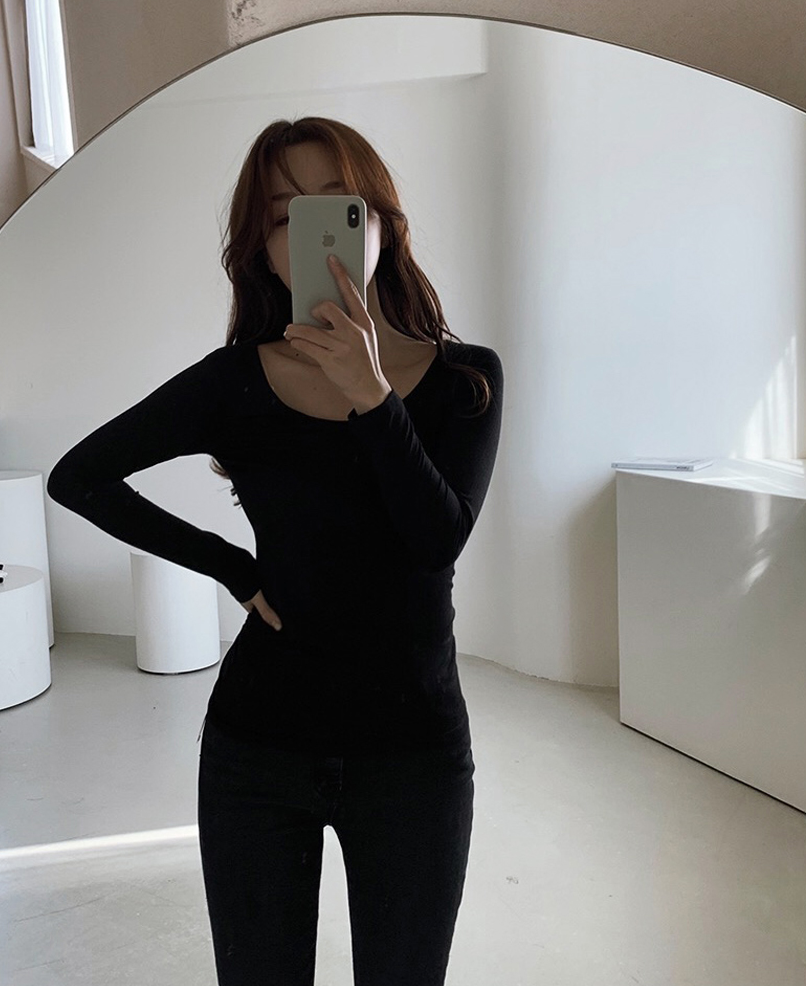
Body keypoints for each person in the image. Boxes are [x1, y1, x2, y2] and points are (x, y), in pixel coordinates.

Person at [46, 116, 504, 986]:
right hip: (258, 749)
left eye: (340, 207)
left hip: (412, 756)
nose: (314, 232)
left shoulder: (465, 379)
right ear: (260, 247)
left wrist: (373, 397)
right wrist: (233, 567)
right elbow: (79, 477)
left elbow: (435, 540)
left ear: (383, 225)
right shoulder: (234, 382)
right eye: (286, 215)